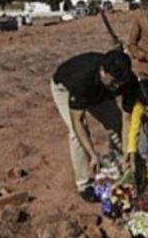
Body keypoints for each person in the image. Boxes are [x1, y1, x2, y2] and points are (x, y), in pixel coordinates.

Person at [50, 49, 137, 201]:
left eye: (120, 83)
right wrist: (92, 155)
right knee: (76, 134)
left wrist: (127, 151)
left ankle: (120, 165)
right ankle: (84, 184)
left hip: (100, 93)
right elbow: (78, 120)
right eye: (114, 82)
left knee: (115, 123)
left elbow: (127, 118)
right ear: (103, 71)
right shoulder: (82, 78)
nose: (117, 87)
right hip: (66, 88)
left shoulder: (127, 80)